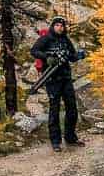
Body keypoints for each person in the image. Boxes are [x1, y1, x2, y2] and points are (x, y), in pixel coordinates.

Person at [30, 16, 87, 153]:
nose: (60, 28)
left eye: (62, 26)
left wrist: (80, 55)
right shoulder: (46, 39)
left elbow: (71, 57)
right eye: (57, 25)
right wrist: (47, 58)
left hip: (66, 78)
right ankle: (56, 142)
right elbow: (34, 51)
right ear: (53, 26)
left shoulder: (66, 40)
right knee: (54, 110)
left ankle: (70, 137)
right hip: (51, 79)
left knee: (72, 109)